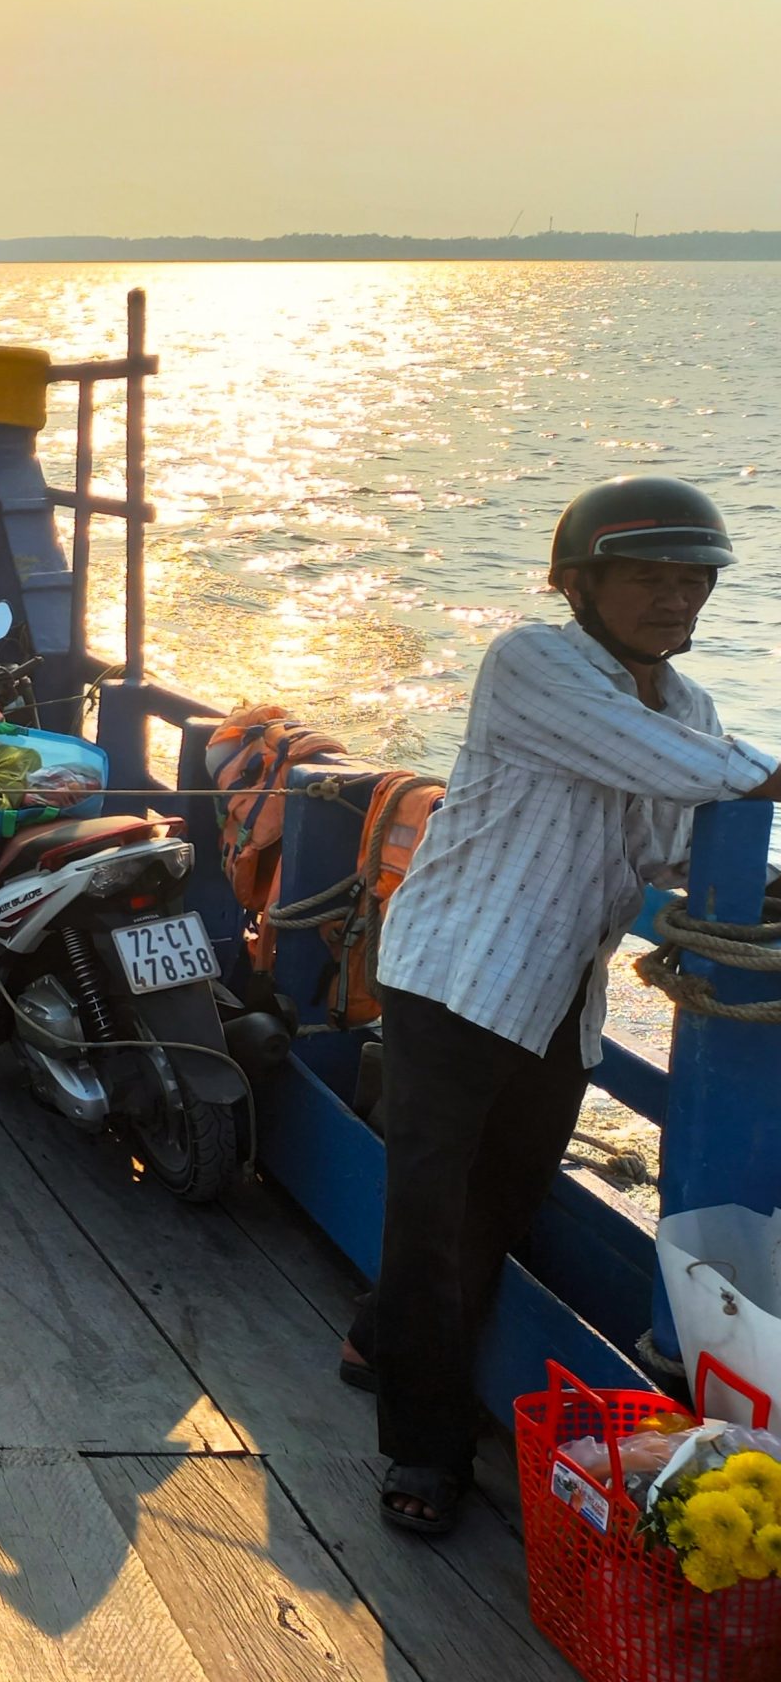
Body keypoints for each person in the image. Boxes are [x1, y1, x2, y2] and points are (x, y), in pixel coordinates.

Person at [347, 478, 781, 1537]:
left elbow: (660, 842)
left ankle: (378, 1341)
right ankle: (424, 1447)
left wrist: (743, 892)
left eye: (694, 580)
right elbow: (681, 773)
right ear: (578, 582)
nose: (676, 599)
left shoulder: (688, 710)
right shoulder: (532, 663)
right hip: (456, 974)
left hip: (552, 995)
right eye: (648, 577)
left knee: (500, 1201)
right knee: (429, 1220)